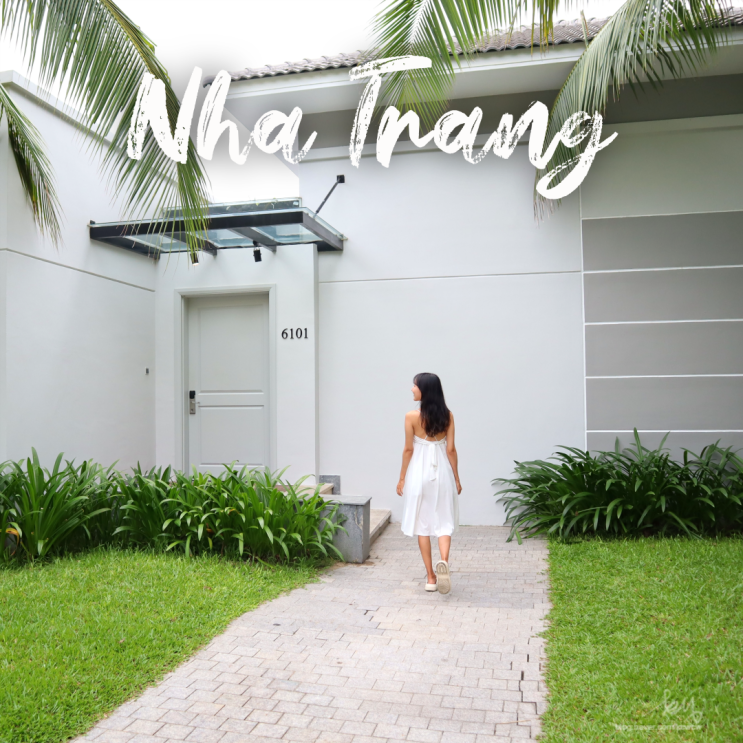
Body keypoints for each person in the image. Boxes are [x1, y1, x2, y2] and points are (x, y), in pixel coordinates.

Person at [397, 373, 461, 594]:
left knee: (423, 526)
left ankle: (431, 577)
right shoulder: (448, 416)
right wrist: (457, 478)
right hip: (442, 473)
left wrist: (402, 478)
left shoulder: (411, 417)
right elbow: (451, 450)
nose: (412, 389)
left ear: (424, 390)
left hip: (419, 474)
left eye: (415, 386)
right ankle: (444, 561)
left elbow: (408, 449)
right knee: (444, 522)